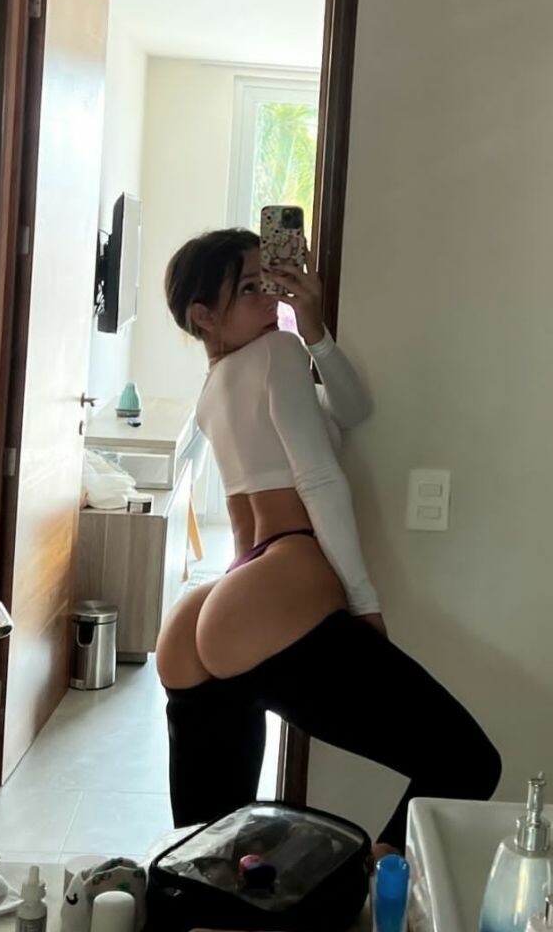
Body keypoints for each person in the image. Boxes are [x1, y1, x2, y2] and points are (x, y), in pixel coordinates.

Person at [156, 227, 501, 854]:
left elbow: (350, 408)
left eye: (269, 282)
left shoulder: (215, 388)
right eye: (250, 289)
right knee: (466, 760)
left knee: (213, 849)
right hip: (277, 580)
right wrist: (364, 602)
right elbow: (318, 478)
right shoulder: (278, 353)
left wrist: (314, 326)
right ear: (204, 315)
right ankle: (365, 889)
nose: (270, 298)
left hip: (216, 605)